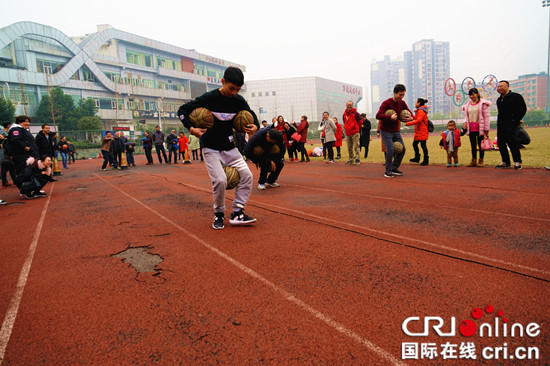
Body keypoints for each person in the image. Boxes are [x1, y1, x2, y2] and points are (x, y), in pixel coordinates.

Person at [177, 66, 259, 229]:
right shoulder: (209, 98)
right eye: (231, 88)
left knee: (247, 175)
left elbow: (251, 114)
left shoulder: (238, 100)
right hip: (211, 148)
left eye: (238, 89)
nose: (234, 92)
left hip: (230, 148)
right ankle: (219, 214)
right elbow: (182, 110)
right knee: (220, 180)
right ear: (223, 82)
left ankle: (237, 212)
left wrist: (255, 126)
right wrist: (191, 128)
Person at [375, 84, 413, 178]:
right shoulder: (386, 103)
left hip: (396, 131)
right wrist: (389, 117)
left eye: (403, 95)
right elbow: (378, 115)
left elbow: (409, 112)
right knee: (391, 149)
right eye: (400, 94)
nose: (401, 97)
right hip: (386, 131)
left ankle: (394, 168)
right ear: (394, 93)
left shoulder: (402, 103)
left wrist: (411, 117)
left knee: (402, 149)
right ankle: (387, 171)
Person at [495, 81, 527, 170]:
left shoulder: (516, 97)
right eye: (498, 87)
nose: (499, 88)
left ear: (507, 86)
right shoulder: (499, 99)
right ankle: (505, 162)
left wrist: (516, 119)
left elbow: (523, 109)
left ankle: (517, 162)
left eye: (501, 86)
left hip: (511, 124)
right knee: (500, 143)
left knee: (512, 142)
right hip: (501, 124)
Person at [462, 88, 491, 167]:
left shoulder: (483, 104)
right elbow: (466, 116)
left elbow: (486, 117)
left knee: (481, 145)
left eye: (474, 94)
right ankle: (473, 160)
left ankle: (481, 160)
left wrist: (486, 129)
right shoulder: (468, 105)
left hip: (480, 127)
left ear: (477, 94)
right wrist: (465, 123)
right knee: (473, 145)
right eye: (470, 95)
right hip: (471, 127)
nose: (472, 96)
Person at [406, 98, 430, 166]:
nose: (415, 104)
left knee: (423, 146)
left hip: (422, 131)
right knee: (415, 144)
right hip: (420, 131)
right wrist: (412, 118)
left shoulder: (421, 111)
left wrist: (408, 123)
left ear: (419, 103)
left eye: (416, 102)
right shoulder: (420, 111)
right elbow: (418, 119)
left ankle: (425, 160)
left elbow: (418, 121)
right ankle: (417, 158)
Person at [343, 101, 362, 165]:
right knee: (349, 147)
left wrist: (355, 129)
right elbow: (344, 122)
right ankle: (351, 159)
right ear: (346, 105)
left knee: (356, 146)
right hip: (348, 133)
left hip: (355, 133)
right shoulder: (344, 114)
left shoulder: (356, 114)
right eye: (348, 105)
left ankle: (357, 159)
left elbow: (360, 122)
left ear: (352, 105)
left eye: (350, 105)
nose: (349, 106)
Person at [1, 122, 16, 188]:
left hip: (6, 153)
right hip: (5, 153)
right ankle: (7, 182)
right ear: (8, 126)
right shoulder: (3, 133)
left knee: (9, 168)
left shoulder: (6, 133)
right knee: (8, 167)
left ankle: (6, 182)